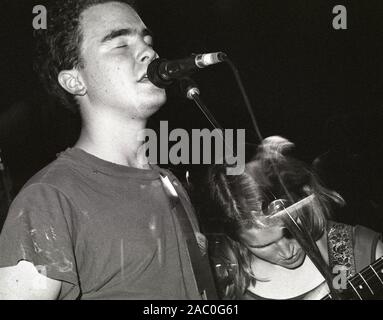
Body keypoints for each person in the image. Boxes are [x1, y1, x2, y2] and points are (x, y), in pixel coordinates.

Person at [0, 0, 209, 300]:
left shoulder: (170, 184)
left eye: (147, 41)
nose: (149, 52)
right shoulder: (49, 199)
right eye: (120, 44)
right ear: (75, 81)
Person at [208, 136, 383, 300]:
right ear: (236, 239)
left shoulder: (362, 251)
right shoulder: (224, 284)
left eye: (291, 233)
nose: (287, 252)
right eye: (264, 245)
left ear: (304, 204)